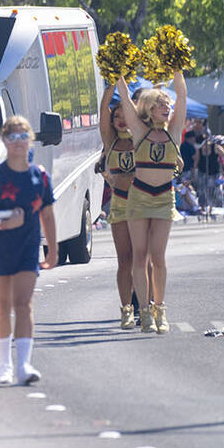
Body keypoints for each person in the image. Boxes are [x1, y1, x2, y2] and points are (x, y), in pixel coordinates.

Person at [0, 115, 56, 384]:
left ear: (30, 138)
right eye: (12, 137)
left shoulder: (39, 176)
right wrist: (5, 224)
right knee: (1, 306)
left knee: (23, 304)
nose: (18, 142)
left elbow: (48, 214)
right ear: (5, 141)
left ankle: (24, 366)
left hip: (28, 248)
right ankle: (4, 365)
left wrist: (52, 250)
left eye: (23, 136)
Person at [119, 72, 188, 334]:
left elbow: (182, 95)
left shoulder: (174, 132)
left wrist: (177, 68)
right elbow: (125, 98)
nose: (166, 107)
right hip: (139, 196)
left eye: (166, 104)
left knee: (158, 256)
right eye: (160, 103)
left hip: (164, 197)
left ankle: (160, 308)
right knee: (140, 255)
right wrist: (116, 72)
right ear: (148, 108)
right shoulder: (139, 131)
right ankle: (144, 311)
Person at [99, 86, 140, 329]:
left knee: (142, 258)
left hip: (144, 204)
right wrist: (112, 81)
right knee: (125, 260)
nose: (121, 120)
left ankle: (147, 304)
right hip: (120, 204)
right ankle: (126, 309)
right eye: (117, 117)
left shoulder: (141, 137)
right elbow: (103, 110)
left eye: (126, 115)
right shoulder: (110, 141)